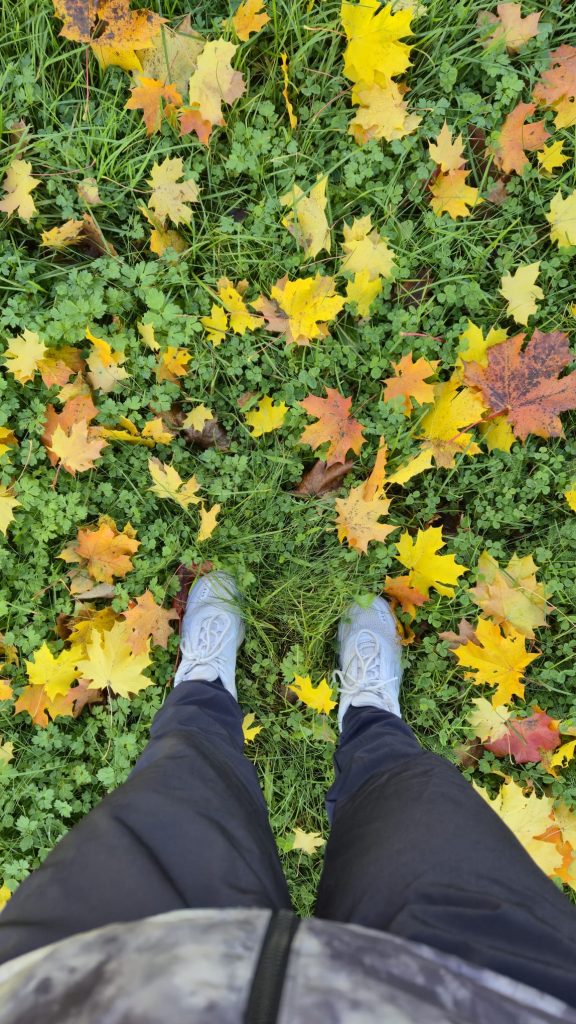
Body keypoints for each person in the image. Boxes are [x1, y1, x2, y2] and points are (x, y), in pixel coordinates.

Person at [0, 572, 575, 1024]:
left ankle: (204, 690)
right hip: (496, 990)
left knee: (181, 783)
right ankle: (372, 716)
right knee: (416, 806)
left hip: (77, 979)